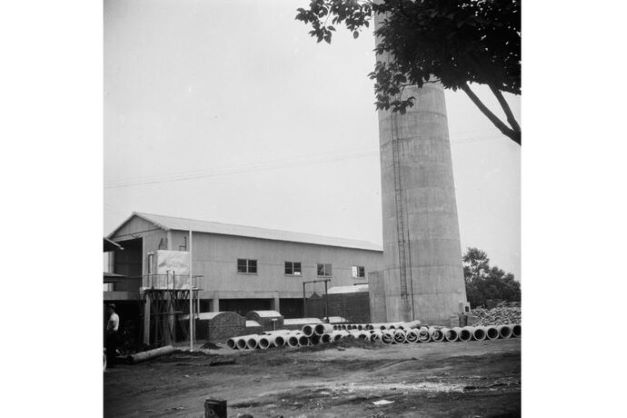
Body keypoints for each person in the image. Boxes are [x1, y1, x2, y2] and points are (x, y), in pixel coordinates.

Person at [105, 304, 120, 368]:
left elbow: (112, 322)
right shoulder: (116, 315)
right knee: (112, 348)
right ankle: (112, 363)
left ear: (112, 309)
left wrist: (109, 331)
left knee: (110, 348)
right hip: (114, 333)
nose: (108, 311)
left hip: (112, 333)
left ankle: (110, 364)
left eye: (109, 309)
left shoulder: (113, 316)